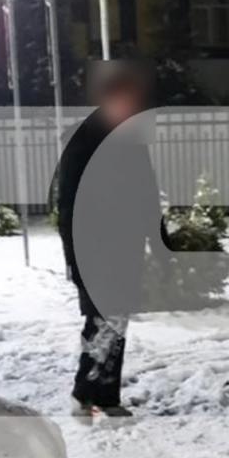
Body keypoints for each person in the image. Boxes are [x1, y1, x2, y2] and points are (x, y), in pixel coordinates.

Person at [56, 60, 167, 418]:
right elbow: (68, 203)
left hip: (125, 247)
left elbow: (148, 194)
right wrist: (72, 257)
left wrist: (160, 242)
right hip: (93, 248)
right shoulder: (82, 140)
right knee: (100, 320)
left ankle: (106, 396)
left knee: (116, 321)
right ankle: (84, 394)